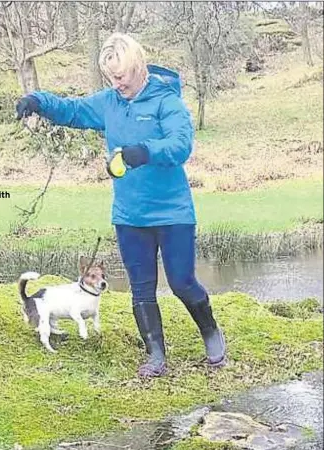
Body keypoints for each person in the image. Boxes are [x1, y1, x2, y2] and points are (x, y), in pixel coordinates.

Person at [16, 33, 226, 378]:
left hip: (173, 212)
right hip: (129, 216)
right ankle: (156, 355)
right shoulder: (110, 102)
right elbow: (73, 110)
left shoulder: (165, 101)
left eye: (122, 75)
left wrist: (143, 151)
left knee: (182, 281)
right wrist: (37, 101)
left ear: (138, 66)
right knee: (141, 286)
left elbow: (180, 144)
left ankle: (211, 332)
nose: (117, 83)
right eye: (111, 76)